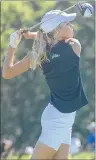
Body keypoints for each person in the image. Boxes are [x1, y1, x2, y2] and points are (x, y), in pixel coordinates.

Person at [2, 10, 88, 159]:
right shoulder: (74, 46)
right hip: (59, 120)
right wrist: (34, 34)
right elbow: (52, 40)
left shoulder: (39, 55)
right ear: (57, 29)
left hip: (58, 117)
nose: (72, 25)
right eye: (67, 23)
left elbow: (7, 73)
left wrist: (13, 45)